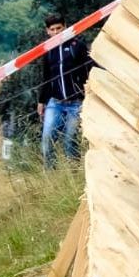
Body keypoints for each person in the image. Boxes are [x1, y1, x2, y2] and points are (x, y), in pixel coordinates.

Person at [36, 13, 92, 167]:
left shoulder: (77, 46)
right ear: (47, 31)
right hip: (55, 103)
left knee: (70, 141)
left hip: (76, 103)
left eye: (59, 28)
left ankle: (73, 174)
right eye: (52, 29)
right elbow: (46, 77)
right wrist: (41, 101)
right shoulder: (48, 51)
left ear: (65, 27)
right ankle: (50, 177)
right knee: (47, 140)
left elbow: (89, 69)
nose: (56, 32)